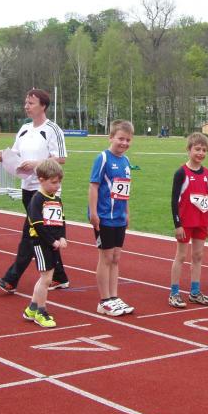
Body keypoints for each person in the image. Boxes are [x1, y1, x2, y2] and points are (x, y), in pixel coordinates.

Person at [0, 89, 69, 294]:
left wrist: (37, 164)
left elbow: (61, 158)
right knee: (44, 233)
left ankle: (11, 279)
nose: (26, 106)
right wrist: (3, 156)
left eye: (31, 103)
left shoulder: (52, 129)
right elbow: (15, 153)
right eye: (26, 102)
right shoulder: (24, 128)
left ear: (43, 106)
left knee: (30, 234)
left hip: (46, 191)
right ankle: (60, 277)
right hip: (27, 187)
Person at [88, 119, 135, 316]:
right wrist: (93, 212)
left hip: (119, 217)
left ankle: (114, 297)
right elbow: (94, 186)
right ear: (111, 137)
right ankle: (104, 300)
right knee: (106, 257)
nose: (124, 143)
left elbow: (124, 190)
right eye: (120, 139)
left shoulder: (126, 161)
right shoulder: (103, 158)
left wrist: (127, 212)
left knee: (116, 257)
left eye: (128, 140)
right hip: (104, 217)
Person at [168, 133, 208, 308]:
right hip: (186, 222)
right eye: (197, 149)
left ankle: (195, 292)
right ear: (189, 150)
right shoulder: (181, 173)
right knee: (181, 256)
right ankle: (174, 293)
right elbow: (174, 200)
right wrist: (177, 224)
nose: (200, 153)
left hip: (201, 221)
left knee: (198, 256)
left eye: (204, 150)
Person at [21, 159, 68, 328]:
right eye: (53, 182)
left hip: (53, 243)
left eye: (59, 182)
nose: (57, 186)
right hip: (41, 243)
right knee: (46, 278)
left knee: (46, 278)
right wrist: (52, 240)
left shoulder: (56, 199)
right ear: (41, 180)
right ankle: (41, 312)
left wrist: (62, 237)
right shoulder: (37, 199)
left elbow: (61, 220)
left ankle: (32, 308)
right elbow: (37, 224)